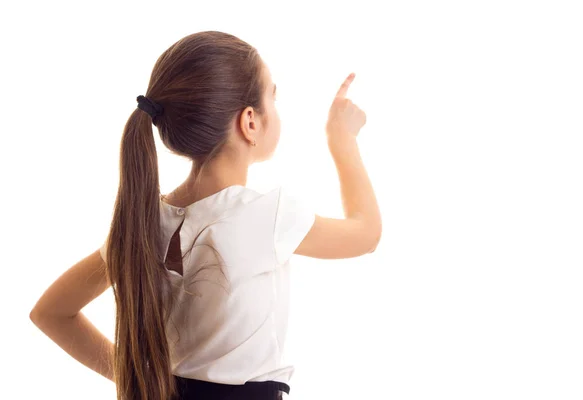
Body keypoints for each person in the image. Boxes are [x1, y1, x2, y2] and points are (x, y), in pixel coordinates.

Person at [29, 30, 382, 400]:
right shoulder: (265, 215)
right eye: (272, 97)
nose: (276, 109)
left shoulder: (143, 222)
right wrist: (342, 140)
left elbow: (51, 313)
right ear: (250, 122)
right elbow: (366, 234)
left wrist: (143, 380)